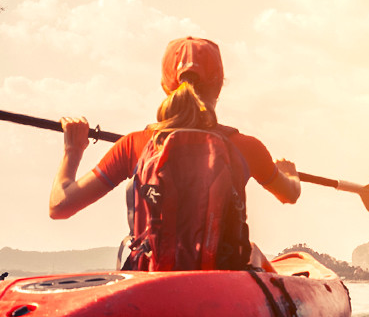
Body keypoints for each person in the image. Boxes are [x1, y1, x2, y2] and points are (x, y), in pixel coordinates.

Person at [47, 37, 301, 271]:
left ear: (164, 84)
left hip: (151, 281)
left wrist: (73, 150)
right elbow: (289, 194)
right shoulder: (246, 147)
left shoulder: (134, 144)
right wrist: (289, 174)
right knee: (253, 253)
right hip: (222, 280)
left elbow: (60, 206)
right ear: (219, 84)